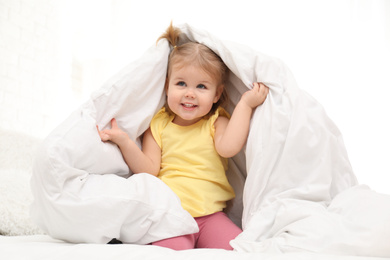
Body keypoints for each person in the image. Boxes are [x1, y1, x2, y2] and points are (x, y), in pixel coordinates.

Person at [97, 23, 269, 250]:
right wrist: (125, 142)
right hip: (172, 217)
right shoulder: (159, 124)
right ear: (167, 87)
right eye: (181, 83)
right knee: (170, 251)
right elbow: (149, 169)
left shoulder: (216, 121)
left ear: (216, 94)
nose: (190, 93)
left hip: (211, 217)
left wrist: (246, 104)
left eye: (201, 86)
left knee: (237, 249)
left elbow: (229, 147)